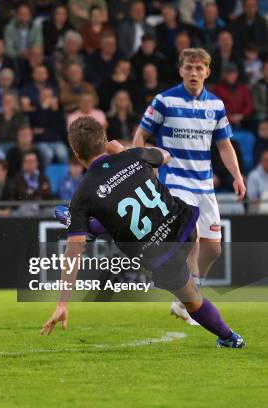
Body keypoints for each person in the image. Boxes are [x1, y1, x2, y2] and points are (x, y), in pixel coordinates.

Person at [41, 116, 245, 349]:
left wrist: (62, 303)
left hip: (159, 255)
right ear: (105, 141)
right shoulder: (132, 155)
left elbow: (73, 252)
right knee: (128, 206)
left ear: (76, 154)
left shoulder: (82, 195)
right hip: (185, 225)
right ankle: (93, 227)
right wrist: (125, 149)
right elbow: (165, 155)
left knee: (191, 300)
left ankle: (230, 338)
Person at [133, 48, 246, 324]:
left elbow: (224, 145)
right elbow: (140, 134)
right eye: (189, 68)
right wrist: (143, 168)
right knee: (191, 238)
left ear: (207, 72)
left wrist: (237, 176)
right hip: (175, 181)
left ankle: (185, 297)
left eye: (199, 68)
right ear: (180, 70)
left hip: (204, 185)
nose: (194, 73)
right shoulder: (164, 101)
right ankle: (193, 303)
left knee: (214, 249)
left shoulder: (216, 106)